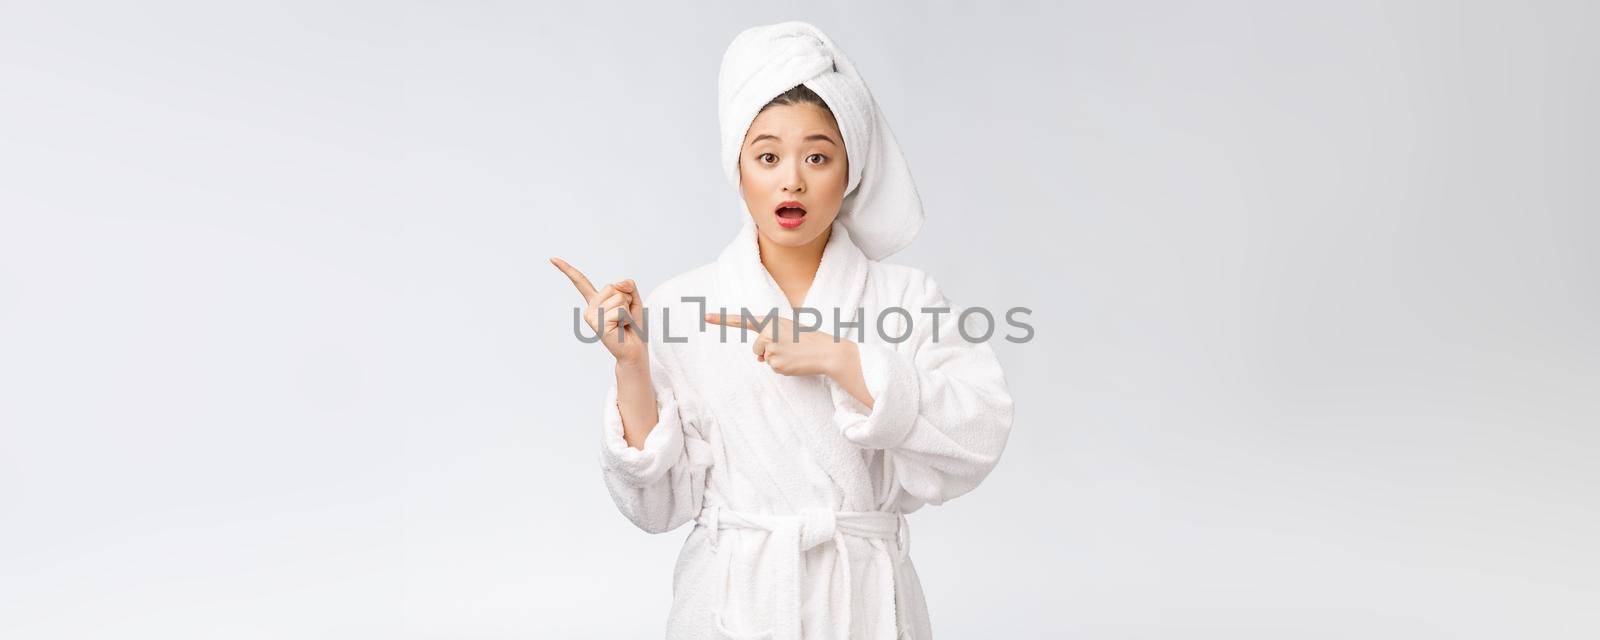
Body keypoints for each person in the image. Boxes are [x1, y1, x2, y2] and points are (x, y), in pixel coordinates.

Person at [550, 21, 1015, 640]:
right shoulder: (684, 304)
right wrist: (631, 365)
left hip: (863, 606)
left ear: (849, 172)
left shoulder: (905, 298)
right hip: (733, 604)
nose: (791, 179)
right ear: (737, 168)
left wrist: (846, 362)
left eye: (817, 156)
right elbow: (655, 505)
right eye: (767, 156)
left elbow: (978, 435)